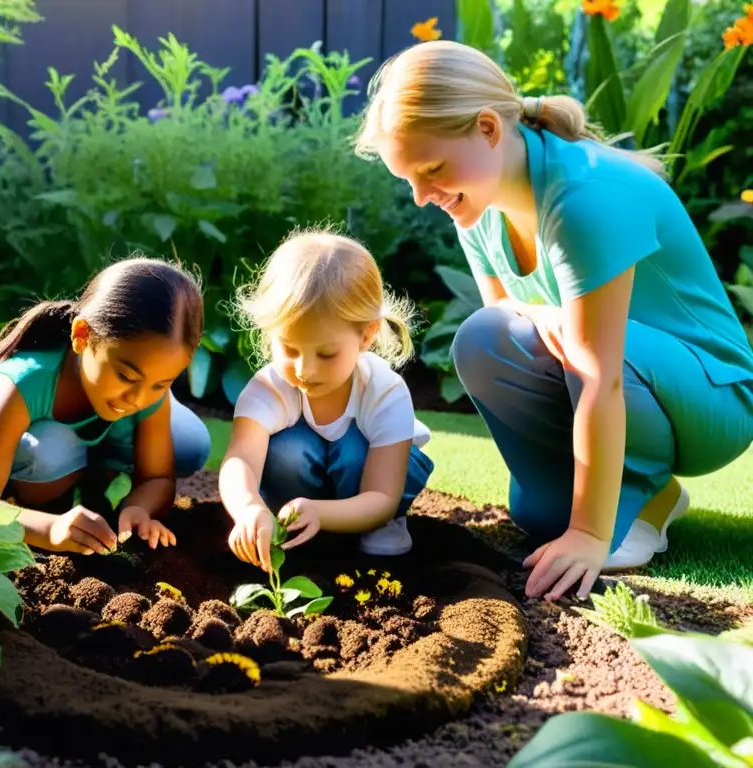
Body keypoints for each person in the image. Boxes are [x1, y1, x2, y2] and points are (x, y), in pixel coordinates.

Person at [354, 40, 753, 601]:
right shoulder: (478, 206)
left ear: (488, 130)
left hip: (713, 396)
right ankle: (652, 495)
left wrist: (591, 535)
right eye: (410, 180)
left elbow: (600, 374)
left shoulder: (584, 199)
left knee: (585, 374)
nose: (423, 196)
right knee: (530, 490)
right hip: (620, 373)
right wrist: (542, 313)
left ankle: (630, 502)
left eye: (433, 169)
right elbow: (503, 325)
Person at [0, 257, 212, 555]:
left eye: (162, 383)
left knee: (189, 444)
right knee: (48, 455)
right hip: (16, 441)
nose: (139, 398)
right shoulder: (23, 381)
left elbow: (158, 477)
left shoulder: (141, 391)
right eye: (126, 376)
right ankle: (63, 482)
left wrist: (138, 508)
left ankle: (92, 469)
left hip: (97, 422)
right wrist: (49, 529)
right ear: (82, 336)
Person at [218, 229, 434, 571]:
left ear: (367, 335)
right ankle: (297, 527)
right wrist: (248, 507)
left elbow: (382, 497)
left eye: (326, 353)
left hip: (376, 490)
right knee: (287, 449)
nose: (305, 369)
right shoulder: (271, 387)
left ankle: (367, 529)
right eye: (289, 349)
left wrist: (322, 512)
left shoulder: (384, 391)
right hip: (306, 487)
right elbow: (241, 459)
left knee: (352, 451)